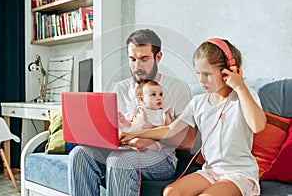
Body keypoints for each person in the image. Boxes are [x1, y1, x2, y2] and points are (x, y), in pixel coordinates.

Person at [120, 38, 267, 196]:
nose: (201, 80)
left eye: (207, 74)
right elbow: (170, 130)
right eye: (198, 73)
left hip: (239, 174)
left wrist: (240, 87)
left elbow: (258, 125)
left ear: (229, 71)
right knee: (170, 192)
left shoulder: (243, 96)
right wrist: (133, 134)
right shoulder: (198, 102)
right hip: (210, 172)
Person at [68, 29, 199, 196]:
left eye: (144, 59)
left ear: (158, 57)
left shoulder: (177, 87)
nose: (137, 67)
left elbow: (188, 142)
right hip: (122, 150)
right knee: (79, 154)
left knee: (119, 162)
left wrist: (145, 130)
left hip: (160, 156)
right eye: (132, 59)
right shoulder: (120, 88)